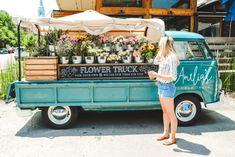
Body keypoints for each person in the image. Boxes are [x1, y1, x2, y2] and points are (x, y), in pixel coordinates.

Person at [148, 36, 179, 145]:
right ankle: (166, 133)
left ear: (164, 45)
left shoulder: (172, 57)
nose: (159, 46)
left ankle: (173, 137)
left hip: (167, 87)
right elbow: (155, 61)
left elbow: (173, 76)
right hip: (161, 86)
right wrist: (160, 53)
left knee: (171, 113)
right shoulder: (164, 56)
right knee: (165, 111)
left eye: (160, 45)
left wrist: (156, 74)